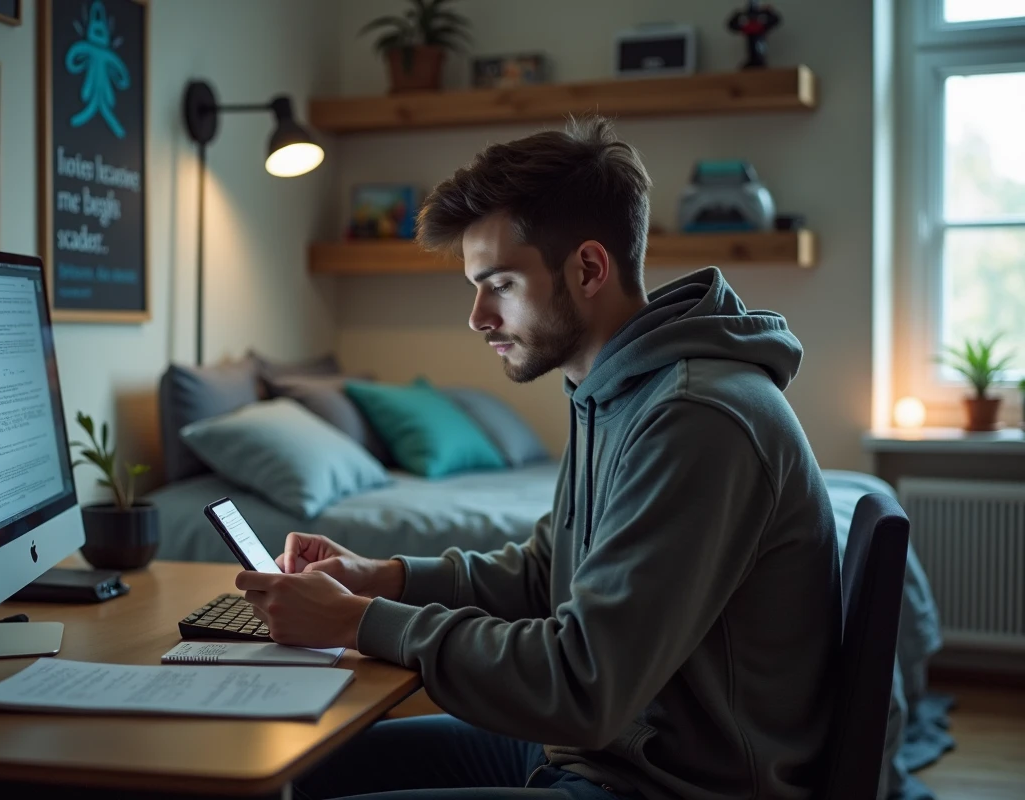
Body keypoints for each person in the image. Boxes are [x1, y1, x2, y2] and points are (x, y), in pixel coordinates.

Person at [235, 116, 840, 800]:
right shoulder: (613, 388)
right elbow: (546, 573)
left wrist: (355, 622)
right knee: (300, 767)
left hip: (666, 786)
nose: (477, 317)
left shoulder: (693, 417)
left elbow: (585, 685)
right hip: (611, 754)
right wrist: (384, 577)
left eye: (500, 284)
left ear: (587, 268)